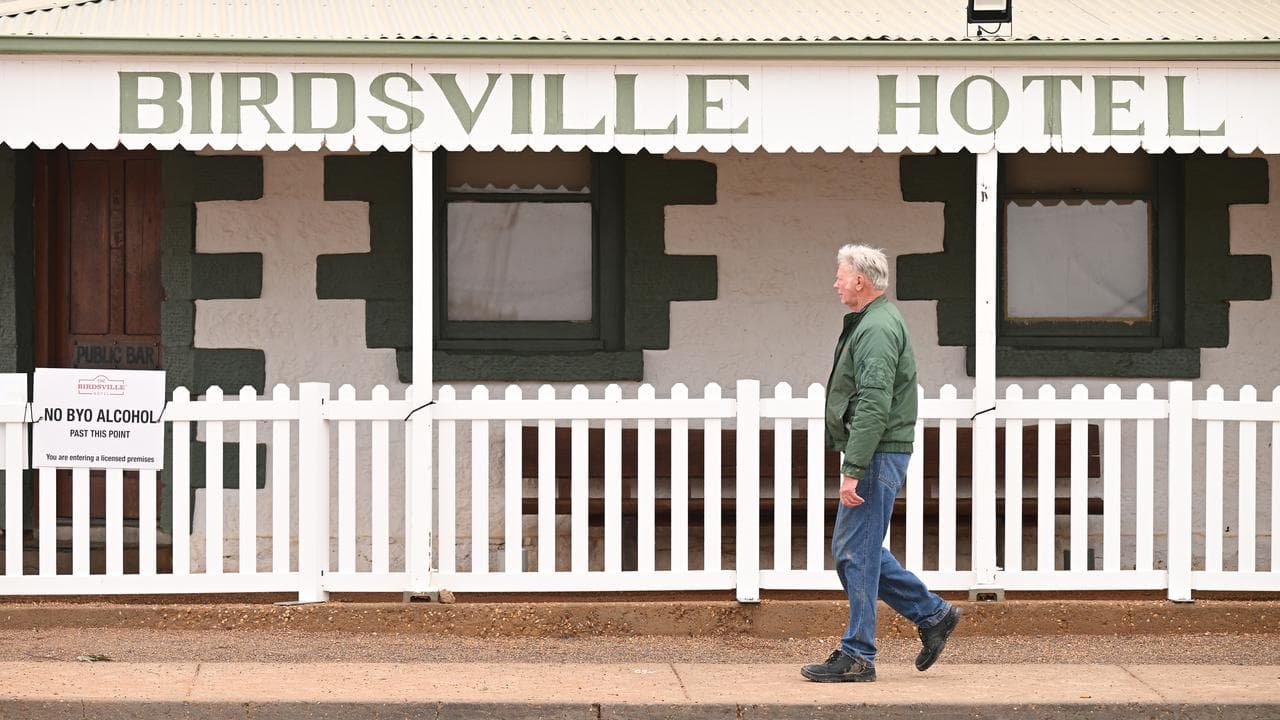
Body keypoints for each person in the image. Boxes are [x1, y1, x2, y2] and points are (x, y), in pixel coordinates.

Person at [801, 244, 962, 683]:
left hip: (875, 453)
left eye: (840, 275)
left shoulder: (875, 327)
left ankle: (859, 655)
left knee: (855, 553)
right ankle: (932, 614)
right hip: (878, 450)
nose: (835, 282)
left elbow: (874, 400)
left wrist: (853, 466)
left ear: (860, 280)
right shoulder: (874, 321)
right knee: (858, 551)